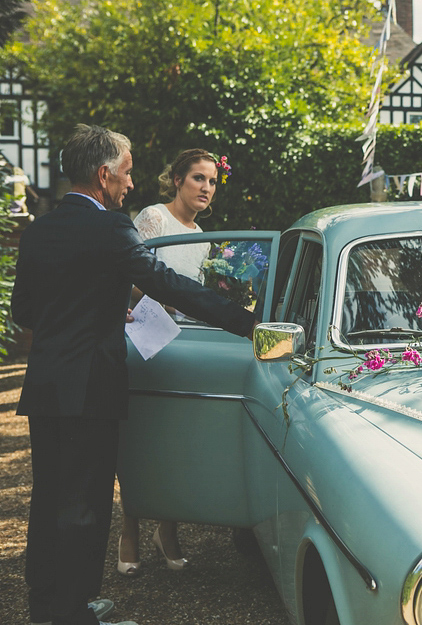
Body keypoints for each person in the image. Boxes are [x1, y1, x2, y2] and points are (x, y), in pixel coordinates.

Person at [13, 124, 257, 625]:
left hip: (45, 384)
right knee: (87, 503)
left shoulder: (38, 229)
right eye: (125, 173)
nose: (129, 183)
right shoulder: (112, 227)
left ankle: (47, 606)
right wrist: (249, 323)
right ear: (103, 176)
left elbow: (24, 312)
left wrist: (99, 312)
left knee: (49, 497)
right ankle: (76, 614)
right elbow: (168, 284)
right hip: (91, 385)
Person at [117, 148, 228, 577]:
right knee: (138, 434)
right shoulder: (153, 218)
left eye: (212, 181)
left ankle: (168, 528)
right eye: (198, 178)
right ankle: (129, 529)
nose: (206, 187)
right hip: (145, 337)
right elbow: (126, 275)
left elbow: (194, 294)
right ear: (178, 179)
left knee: (174, 436)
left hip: (182, 345)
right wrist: (159, 308)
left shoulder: (202, 235)